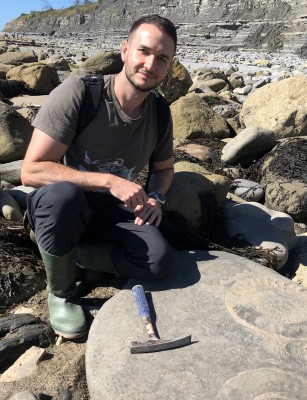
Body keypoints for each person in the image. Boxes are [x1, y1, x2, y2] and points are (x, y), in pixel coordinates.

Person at [21, 14, 177, 339]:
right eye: (143, 51)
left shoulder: (160, 113)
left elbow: (163, 170)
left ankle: (70, 254)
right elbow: (32, 169)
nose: (150, 64)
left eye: (162, 58)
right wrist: (109, 181)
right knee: (60, 197)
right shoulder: (81, 94)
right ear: (125, 51)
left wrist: (157, 198)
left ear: (169, 66)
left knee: (159, 262)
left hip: (113, 214)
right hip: (66, 204)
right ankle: (61, 291)